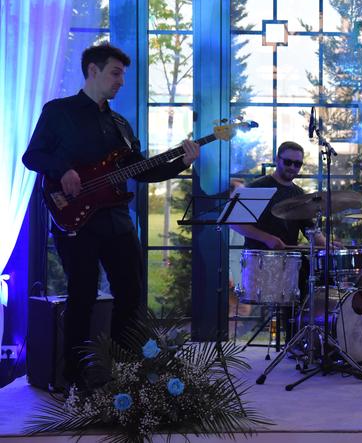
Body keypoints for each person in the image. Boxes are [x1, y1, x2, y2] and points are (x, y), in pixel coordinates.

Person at [23, 42, 200, 389]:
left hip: (117, 219)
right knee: (82, 295)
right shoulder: (58, 111)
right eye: (115, 73)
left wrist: (182, 161)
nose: (121, 81)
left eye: (122, 75)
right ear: (93, 70)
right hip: (75, 217)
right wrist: (62, 170)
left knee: (131, 294)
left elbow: (142, 170)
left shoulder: (120, 124)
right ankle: (75, 378)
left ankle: (124, 371)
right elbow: (33, 156)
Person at [229, 141, 326, 339]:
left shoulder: (298, 195)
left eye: (297, 164)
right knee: (298, 289)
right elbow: (235, 223)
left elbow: (311, 230)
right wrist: (267, 238)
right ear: (277, 160)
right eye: (288, 162)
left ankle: (308, 340)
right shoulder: (258, 187)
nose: (292, 167)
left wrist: (327, 244)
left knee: (319, 280)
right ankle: (294, 339)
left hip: (290, 260)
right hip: (261, 260)